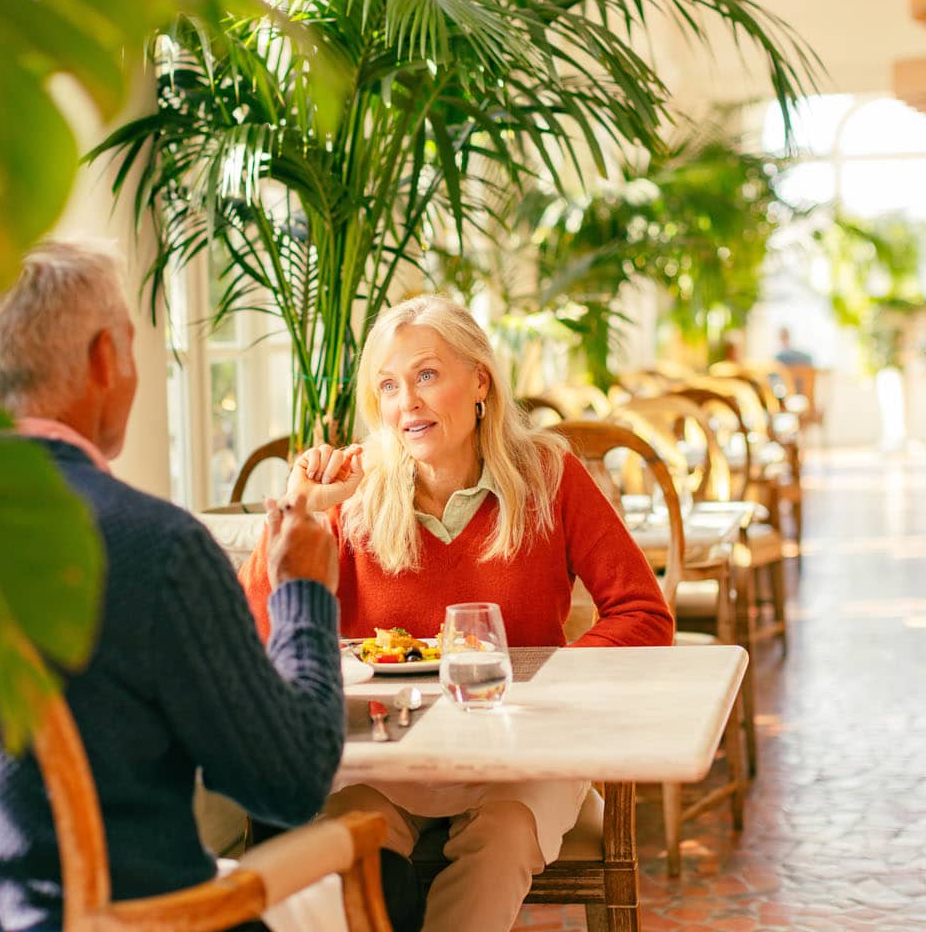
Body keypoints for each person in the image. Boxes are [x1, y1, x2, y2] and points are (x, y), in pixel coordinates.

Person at [0, 240, 350, 932]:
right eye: (133, 347)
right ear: (107, 357)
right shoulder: (157, 549)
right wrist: (302, 593)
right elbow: (290, 781)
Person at [239, 295, 675, 932]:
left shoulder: (550, 475)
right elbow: (255, 630)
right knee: (345, 842)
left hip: (525, 755)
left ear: (480, 381)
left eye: (425, 375)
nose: (406, 402)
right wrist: (302, 508)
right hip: (391, 758)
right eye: (389, 385)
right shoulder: (352, 498)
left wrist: (541, 681)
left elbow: (643, 613)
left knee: (497, 842)